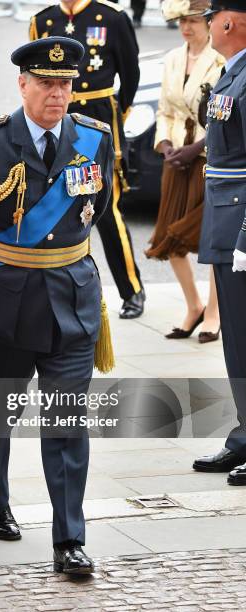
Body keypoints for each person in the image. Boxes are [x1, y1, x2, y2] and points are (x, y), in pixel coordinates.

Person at [0, 37, 114, 575]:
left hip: (72, 300)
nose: (57, 95)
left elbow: (98, 207)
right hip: (8, 303)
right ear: (23, 84)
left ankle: (69, 541)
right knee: (0, 411)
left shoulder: (94, 138)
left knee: (66, 421)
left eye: (64, 85)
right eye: (45, 83)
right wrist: (5, 259)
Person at [30, 0, 146, 320]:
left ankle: (132, 289)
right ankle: (52, 289)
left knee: (106, 210)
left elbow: (131, 73)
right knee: (51, 201)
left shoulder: (112, 17)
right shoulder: (44, 19)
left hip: (98, 116)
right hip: (58, 117)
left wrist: (115, 118)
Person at [146, 0, 223, 343]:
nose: (187, 28)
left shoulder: (221, 60)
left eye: (193, 21)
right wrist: (166, 147)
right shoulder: (175, 58)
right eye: (182, 22)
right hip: (175, 157)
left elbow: (224, 117)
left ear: (209, 23)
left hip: (207, 159)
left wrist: (195, 150)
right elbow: (164, 109)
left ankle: (214, 314)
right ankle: (193, 305)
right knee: (168, 238)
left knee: (210, 240)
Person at [194, 0, 246, 483]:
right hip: (227, 222)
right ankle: (244, 437)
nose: (208, 24)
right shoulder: (233, 72)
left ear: (228, 22)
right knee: (237, 338)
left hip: (241, 231)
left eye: (211, 17)